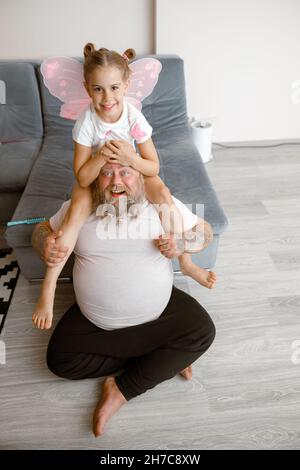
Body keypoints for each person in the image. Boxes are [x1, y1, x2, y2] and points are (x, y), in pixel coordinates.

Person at [32, 42, 216, 332]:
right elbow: (81, 176)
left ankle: (187, 262)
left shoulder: (133, 117)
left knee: (163, 194)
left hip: (134, 169)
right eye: (98, 89)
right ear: (86, 88)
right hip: (96, 175)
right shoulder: (86, 122)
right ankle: (49, 288)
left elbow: (152, 166)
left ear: (127, 84)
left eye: (114, 88)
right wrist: (102, 155)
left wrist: (131, 158)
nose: (107, 98)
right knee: (74, 214)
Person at [31, 161, 216, 437]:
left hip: (159, 311)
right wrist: (43, 241)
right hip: (95, 319)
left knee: (203, 332)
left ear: (140, 176)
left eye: (124, 172)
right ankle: (164, 357)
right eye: (106, 173)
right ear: (96, 178)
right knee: (59, 361)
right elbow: (41, 229)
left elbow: (205, 231)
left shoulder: (160, 205)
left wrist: (184, 244)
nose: (115, 180)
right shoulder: (79, 208)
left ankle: (121, 388)